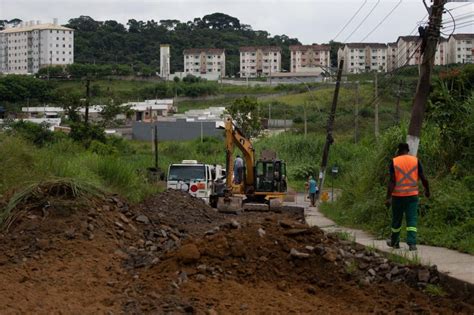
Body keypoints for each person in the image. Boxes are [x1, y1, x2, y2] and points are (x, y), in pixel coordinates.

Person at [386, 143, 430, 251]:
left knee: (396, 220)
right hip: (412, 196)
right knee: (412, 220)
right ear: (408, 150)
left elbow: (392, 181)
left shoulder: (394, 161)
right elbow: (423, 178)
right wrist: (427, 190)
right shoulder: (415, 160)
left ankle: (395, 242)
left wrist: (388, 197)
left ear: (398, 150)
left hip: (398, 196)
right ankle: (412, 244)